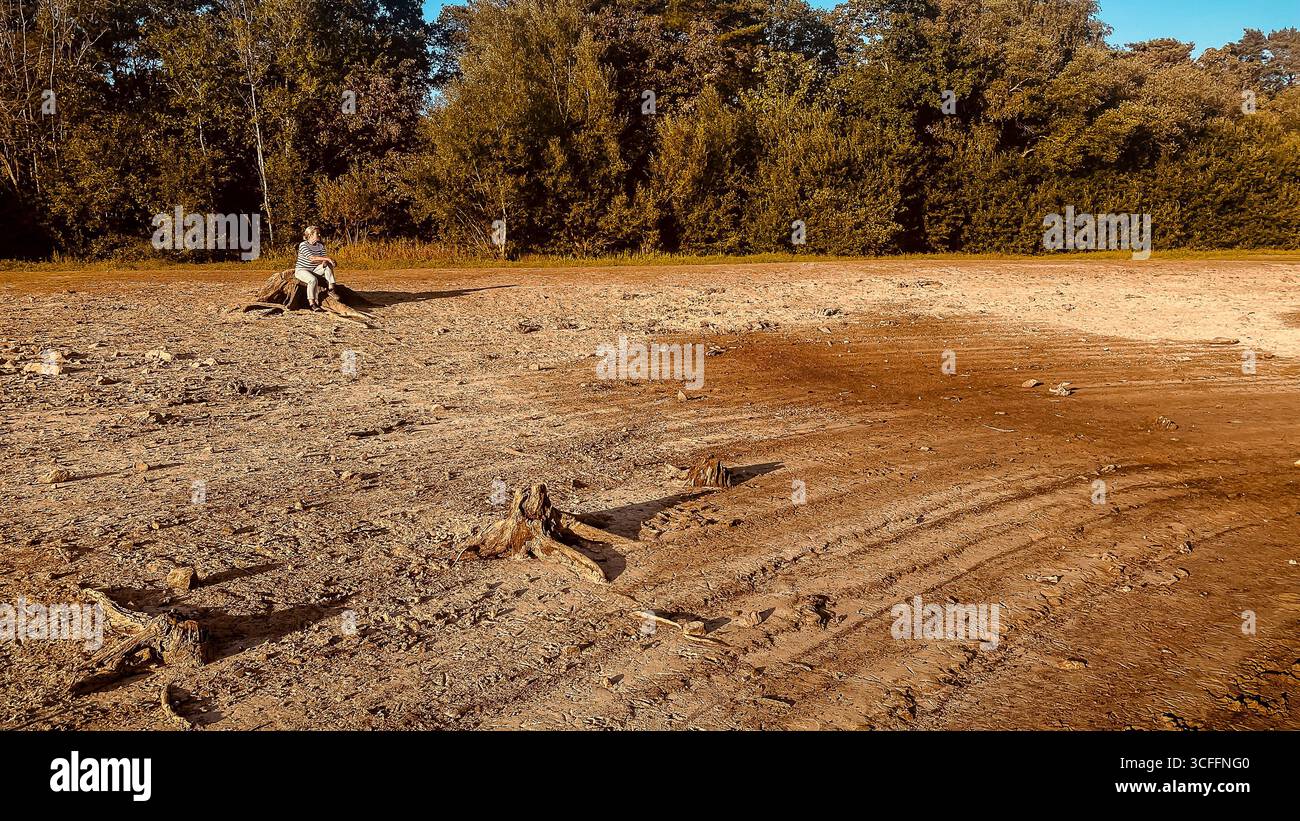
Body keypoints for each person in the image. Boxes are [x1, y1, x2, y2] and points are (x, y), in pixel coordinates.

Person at [294, 226, 337, 308]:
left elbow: (324, 258)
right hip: (302, 270)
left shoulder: (320, 246)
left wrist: (329, 262)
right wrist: (327, 258)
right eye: (317, 233)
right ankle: (312, 303)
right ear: (310, 235)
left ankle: (331, 289)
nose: (319, 235)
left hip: (315, 269)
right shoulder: (303, 245)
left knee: (328, 263)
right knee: (313, 280)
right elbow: (312, 258)